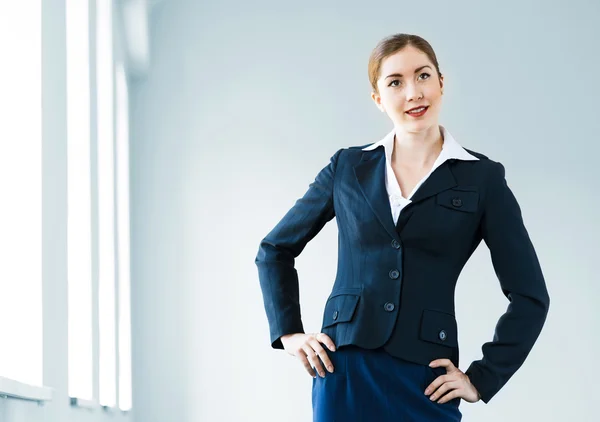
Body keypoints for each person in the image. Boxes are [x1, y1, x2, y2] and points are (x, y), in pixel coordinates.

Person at [254, 33, 550, 421]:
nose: (414, 93)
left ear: (441, 83)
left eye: (423, 76)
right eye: (395, 82)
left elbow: (530, 295)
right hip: (344, 370)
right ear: (378, 99)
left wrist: (482, 378)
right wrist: (290, 334)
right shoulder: (347, 168)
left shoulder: (482, 179)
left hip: (425, 377)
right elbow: (274, 250)